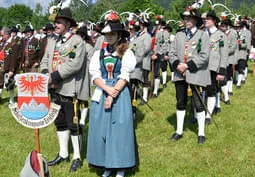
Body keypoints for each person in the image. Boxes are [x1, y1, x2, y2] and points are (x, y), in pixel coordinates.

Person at [86, 11, 137, 177]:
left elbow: (124, 77)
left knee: (119, 129)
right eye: (106, 34)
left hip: (119, 94)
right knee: (101, 129)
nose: (108, 37)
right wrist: (106, 91)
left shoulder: (126, 53)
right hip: (102, 92)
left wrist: (112, 94)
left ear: (119, 35)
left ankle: (120, 166)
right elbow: (95, 76)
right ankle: (106, 164)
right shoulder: (99, 53)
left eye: (112, 34)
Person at [40, 7, 85, 172]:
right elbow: (45, 60)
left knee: (73, 123)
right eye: (55, 22)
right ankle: (63, 154)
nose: (56, 25)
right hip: (53, 88)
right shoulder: (52, 40)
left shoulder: (77, 41)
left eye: (59, 22)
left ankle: (77, 157)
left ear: (67, 24)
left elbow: (74, 65)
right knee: (59, 122)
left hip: (69, 88)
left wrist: (54, 77)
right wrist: (45, 74)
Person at [169, 7, 210, 144]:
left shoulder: (203, 35)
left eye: (188, 18)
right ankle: (179, 131)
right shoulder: (179, 35)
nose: (185, 20)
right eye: (184, 18)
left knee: (198, 104)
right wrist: (178, 65)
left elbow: (204, 56)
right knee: (180, 102)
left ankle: (201, 133)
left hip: (196, 74)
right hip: (180, 74)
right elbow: (172, 53)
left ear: (195, 20)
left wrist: (187, 65)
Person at [204, 10, 228, 124]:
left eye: (208, 19)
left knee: (211, 90)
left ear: (214, 21)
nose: (205, 20)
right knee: (202, 90)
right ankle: (200, 111)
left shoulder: (221, 35)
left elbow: (224, 54)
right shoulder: (203, 34)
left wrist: (222, 71)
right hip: (202, 67)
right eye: (205, 19)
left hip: (213, 67)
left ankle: (208, 114)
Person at [0, 28, 21, 104]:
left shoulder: (14, 43)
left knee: (10, 85)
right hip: (2, 65)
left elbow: (14, 58)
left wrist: (11, 70)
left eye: (2, 35)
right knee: (0, 83)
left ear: (7, 34)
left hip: (9, 67)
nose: (1, 37)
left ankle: (11, 100)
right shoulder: (3, 42)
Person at [152, 20, 170, 97]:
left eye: (159, 24)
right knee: (155, 72)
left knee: (158, 71)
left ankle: (155, 91)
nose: (158, 26)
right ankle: (154, 89)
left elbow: (165, 44)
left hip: (159, 54)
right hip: (155, 53)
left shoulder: (164, 33)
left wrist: (165, 53)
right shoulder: (156, 32)